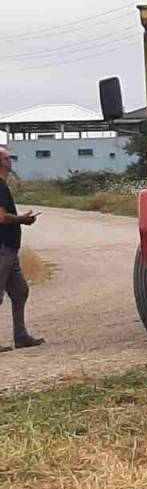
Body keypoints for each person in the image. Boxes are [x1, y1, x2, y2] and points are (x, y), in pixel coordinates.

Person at [0, 147, 43, 353]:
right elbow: (1, 217)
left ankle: (21, 335)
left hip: (9, 248)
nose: (11, 161)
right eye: (8, 158)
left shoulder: (3, 185)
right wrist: (23, 220)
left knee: (20, 291)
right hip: (2, 248)